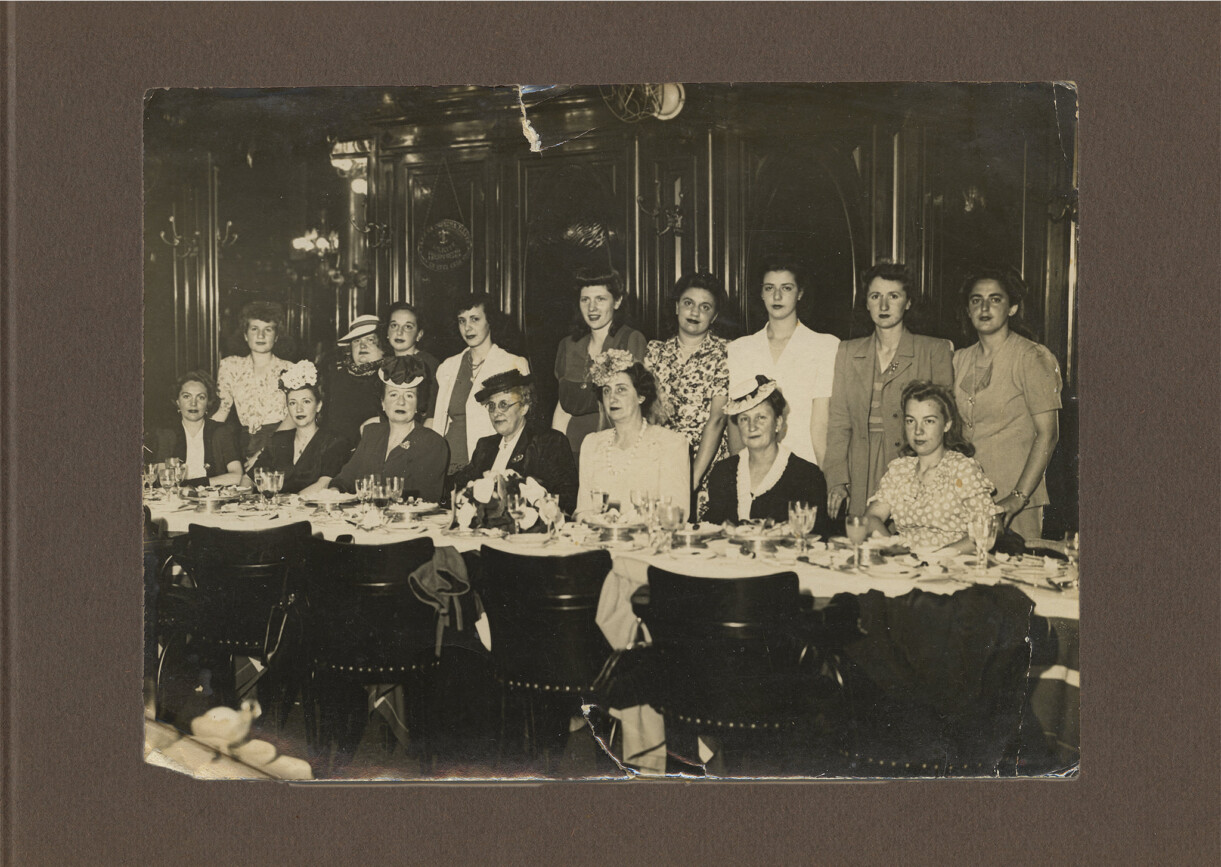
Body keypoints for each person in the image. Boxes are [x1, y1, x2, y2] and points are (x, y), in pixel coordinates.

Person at [825, 262, 954, 520]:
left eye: (893, 296)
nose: (883, 305)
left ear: (908, 302)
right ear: (866, 303)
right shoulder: (848, 352)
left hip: (914, 465)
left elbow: (946, 423)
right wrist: (837, 479)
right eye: (875, 296)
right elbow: (839, 423)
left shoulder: (934, 350)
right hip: (860, 470)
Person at [953, 269, 1062, 540]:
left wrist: (1017, 497)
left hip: (1014, 500)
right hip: (965, 496)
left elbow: (1048, 434)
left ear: (1012, 308)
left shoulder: (1032, 357)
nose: (984, 308)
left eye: (995, 299)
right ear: (967, 310)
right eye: (976, 300)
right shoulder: (958, 359)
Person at [726, 258, 840, 467]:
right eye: (769, 288)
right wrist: (739, 470)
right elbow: (735, 419)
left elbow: (821, 424)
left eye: (786, 288)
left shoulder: (825, 346)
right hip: (755, 466)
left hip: (806, 463)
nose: (777, 296)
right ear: (761, 293)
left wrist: (825, 476)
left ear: (800, 293)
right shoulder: (740, 349)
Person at [862, 381, 998, 552]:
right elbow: (871, 518)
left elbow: (988, 528)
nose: (918, 431)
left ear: (947, 425)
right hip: (907, 562)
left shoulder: (962, 469)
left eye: (929, 421)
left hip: (954, 562)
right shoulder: (900, 470)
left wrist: (940, 556)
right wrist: (895, 548)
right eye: (911, 421)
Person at [643, 272, 731, 514]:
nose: (695, 312)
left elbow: (717, 420)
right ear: (676, 307)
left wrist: (691, 480)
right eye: (688, 303)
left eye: (705, 307)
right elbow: (647, 415)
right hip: (660, 462)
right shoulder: (655, 352)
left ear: (714, 316)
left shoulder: (726, 352)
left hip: (707, 465)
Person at [704, 376, 830, 534]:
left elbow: (815, 536)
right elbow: (712, 532)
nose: (752, 427)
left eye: (761, 417)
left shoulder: (806, 475)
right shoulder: (722, 472)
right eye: (744, 419)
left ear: (778, 423)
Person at [575, 351, 690, 518]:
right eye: (606, 391)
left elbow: (677, 513)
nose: (612, 398)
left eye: (621, 389)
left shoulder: (670, 443)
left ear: (641, 396)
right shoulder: (591, 444)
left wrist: (627, 522)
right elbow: (582, 510)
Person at [448, 369, 579, 515]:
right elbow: (459, 485)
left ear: (524, 407)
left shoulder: (548, 442)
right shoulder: (485, 446)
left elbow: (568, 499)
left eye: (503, 404)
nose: (496, 412)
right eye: (491, 406)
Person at [430, 293, 531, 475]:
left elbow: (524, 424)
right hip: (446, 464)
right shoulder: (447, 367)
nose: (467, 327)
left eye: (475, 319)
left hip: (488, 465)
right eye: (462, 321)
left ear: (490, 321)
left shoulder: (513, 363)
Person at [552, 272, 647, 463]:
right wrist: (556, 453)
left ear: (617, 302)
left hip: (616, 450)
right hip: (573, 450)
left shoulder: (631, 340)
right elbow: (562, 409)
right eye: (585, 300)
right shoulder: (568, 345)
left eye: (600, 299)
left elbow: (640, 407)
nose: (592, 307)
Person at [331, 356, 449, 502]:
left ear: (418, 404)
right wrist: (334, 491)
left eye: (409, 395)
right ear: (383, 402)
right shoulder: (372, 433)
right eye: (393, 394)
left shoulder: (432, 443)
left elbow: (425, 497)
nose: (401, 402)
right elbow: (345, 479)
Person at [252, 360, 350, 496]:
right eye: (293, 403)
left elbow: (324, 484)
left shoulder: (334, 441)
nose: (299, 409)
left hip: (310, 507)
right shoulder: (278, 440)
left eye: (306, 401)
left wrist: (290, 502)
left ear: (319, 406)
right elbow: (251, 477)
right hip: (276, 507)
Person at [212, 300, 293, 459]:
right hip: (244, 444)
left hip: (280, 444)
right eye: (254, 329)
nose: (260, 335)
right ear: (245, 334)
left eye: (268, 329)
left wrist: (263, 454)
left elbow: (292, 417)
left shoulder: (290, 368)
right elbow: (223, 409)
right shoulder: (230, 366)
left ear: (277, 336)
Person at [147, 371, 244, 487]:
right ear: (178, 402)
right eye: (186, 396)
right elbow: (162, 477)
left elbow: (237, 476)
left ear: (208, 403)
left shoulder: (221, 432)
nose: (193, 403)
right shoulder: (166, 433)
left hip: (211, 496)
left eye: (201, 397)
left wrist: (195, 484)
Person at [318, 314, 391, 450]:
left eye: (370, 340)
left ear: (383, 347)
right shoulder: (337, 376)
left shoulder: (390, 376)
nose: (362, 345)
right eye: (356, 341)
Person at [384, 301, 440, 419]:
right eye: (394, 325)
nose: (399, 332)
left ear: (419, 335)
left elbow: (432, 414)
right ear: (387, 331)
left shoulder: (428, 364)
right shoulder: (386, 363)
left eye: (408, 327)